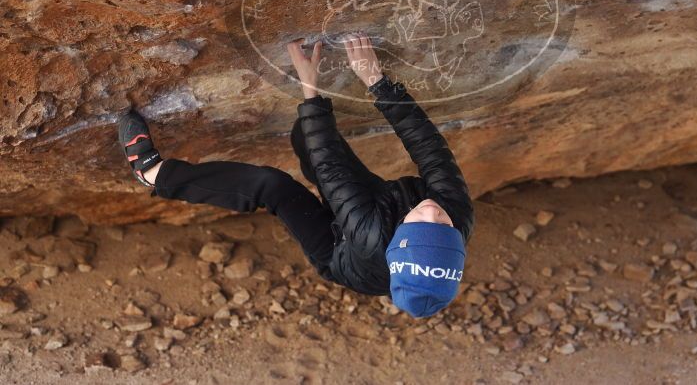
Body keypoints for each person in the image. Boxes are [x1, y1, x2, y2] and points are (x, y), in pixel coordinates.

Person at [118, 35, 474, 318]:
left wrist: (310, 88)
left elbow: (331, 170)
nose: (430, 209)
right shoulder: (454, 209)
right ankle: (307, 140)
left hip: (340, 253)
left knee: (275, 187)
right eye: (443, 225)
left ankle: (154, 174)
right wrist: (377, 81)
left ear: (400, 239)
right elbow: (427, 145)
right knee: (309, 138)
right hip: (376, 212)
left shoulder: (370, 233)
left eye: (420, 225)